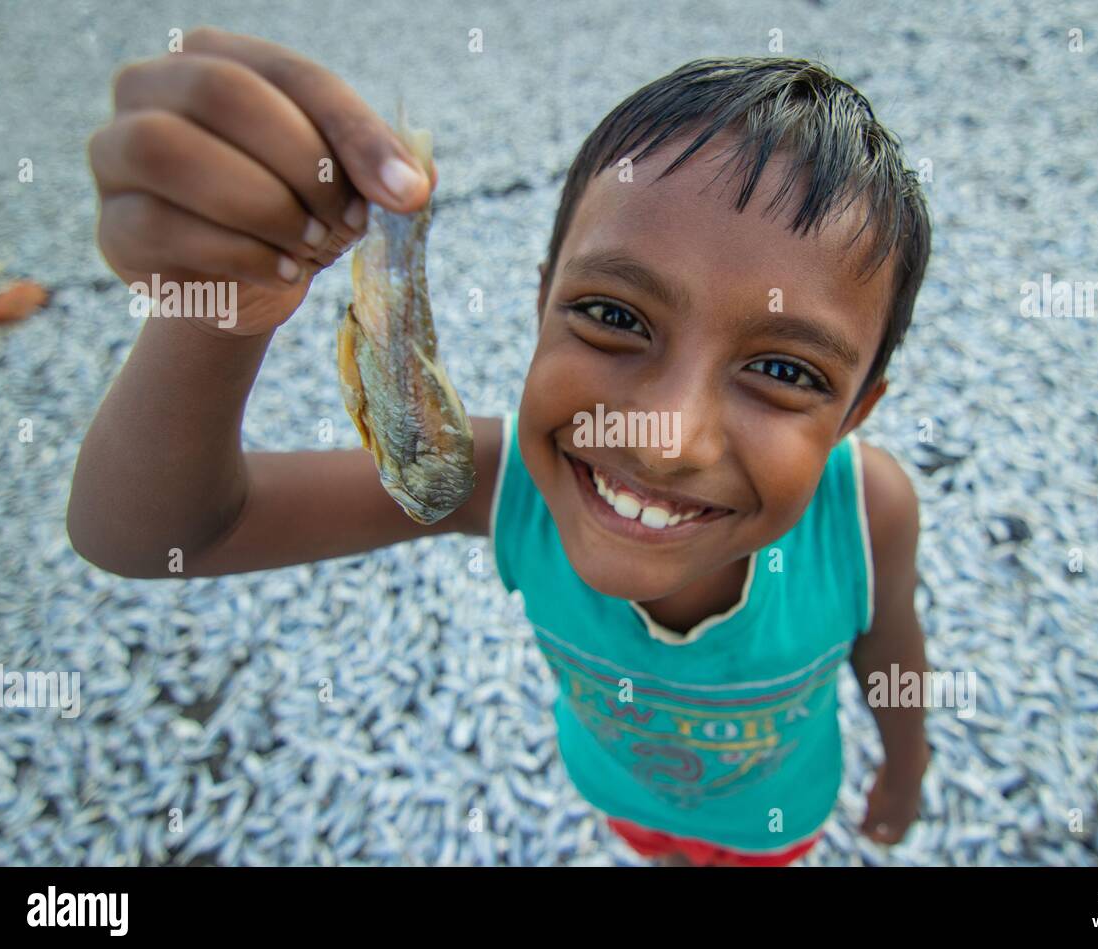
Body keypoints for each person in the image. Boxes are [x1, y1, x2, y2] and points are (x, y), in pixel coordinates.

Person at [69, 27, 933, 866]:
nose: (669, 442)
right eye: (614, 317)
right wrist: (214, 313)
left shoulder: (866, 514)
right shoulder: (500, 482)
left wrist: (905, 766)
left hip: (772, 822)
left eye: (784, 369)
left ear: (856, 413)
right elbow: (166, 536)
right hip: (616, 794)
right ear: (540, 305)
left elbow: (888, 641)